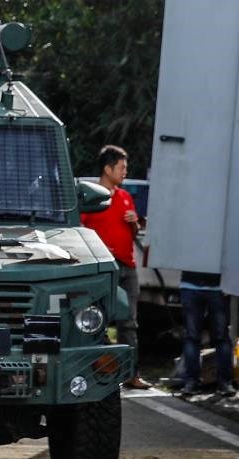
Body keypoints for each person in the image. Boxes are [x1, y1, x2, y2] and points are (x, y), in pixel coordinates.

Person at [80, 144, 150, 389]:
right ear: (107, 168)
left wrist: (134, 223)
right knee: (95, 321)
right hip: (100, 268)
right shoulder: (89, 197)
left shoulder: (125, 197)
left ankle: (131, 373)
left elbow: (133, 233)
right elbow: (78, 231)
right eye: (121, 167)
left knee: (129, 321)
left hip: (127, 266)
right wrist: (97, 248)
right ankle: (97, 372)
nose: (124, 172)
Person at [177, 271, 234, 396]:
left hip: (203, 286)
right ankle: (222, 383)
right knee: (218, 337)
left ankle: (194, 382)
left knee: (197, 337)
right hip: (208, 286)